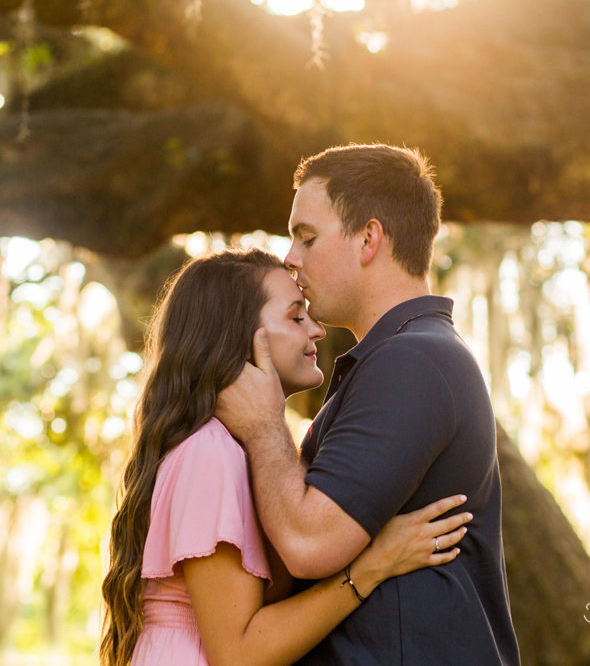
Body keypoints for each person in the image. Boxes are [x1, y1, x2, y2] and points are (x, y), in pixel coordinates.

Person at [216, 144, 522, 664]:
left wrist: (265, 423)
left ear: (368, 238)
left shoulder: (414, 363)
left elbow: (308, 543)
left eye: (307, 238)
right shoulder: (400, 358)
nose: (291, 258)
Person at [99, 249, 473, 666]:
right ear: (236, 336)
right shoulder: (209, 454)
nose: (316, 330)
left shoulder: (239, 453)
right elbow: (237, 653)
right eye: (296, 318)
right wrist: (373, 566)